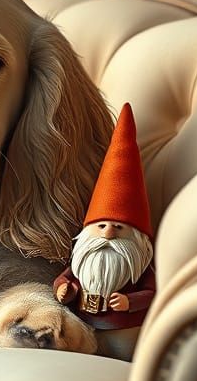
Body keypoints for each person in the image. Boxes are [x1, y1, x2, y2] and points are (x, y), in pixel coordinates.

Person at [55, 103, 154, 357]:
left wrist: (130, 301)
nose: (108, 234)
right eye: (101, 226)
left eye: (118, 228)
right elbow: (66, 277)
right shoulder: (83, 259)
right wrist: (63, 289)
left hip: (125, 328)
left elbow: (152, 291)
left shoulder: (139, 267)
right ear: (88, 231)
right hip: (82, 323)